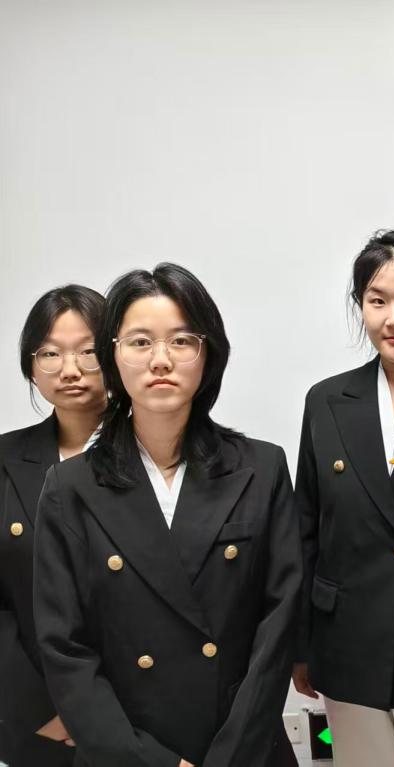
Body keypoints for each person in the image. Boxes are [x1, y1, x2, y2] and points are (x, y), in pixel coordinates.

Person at [33, 263, 301, 767]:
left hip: (244, 747)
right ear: (112, 355)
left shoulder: (261, 468)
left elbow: (278, 628)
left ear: (208, 354)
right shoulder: (69, 488)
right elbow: (66, 650)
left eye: (181, 341)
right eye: (140, 342)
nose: (161, 360)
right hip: (126, 753)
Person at [292, 231, 394, 767]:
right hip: (347, 640)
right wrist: (301, 644)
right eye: (377, 301)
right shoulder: (326, 401)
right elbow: (306, 526)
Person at [0, 286, 105, 766]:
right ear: (31, 366)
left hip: (144, 721)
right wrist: (40, 709)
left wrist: (100, 716)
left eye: (88, 351)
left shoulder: (158, 458)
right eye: (50, 353)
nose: (69, 369)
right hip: (39, 727)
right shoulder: (5, 460)